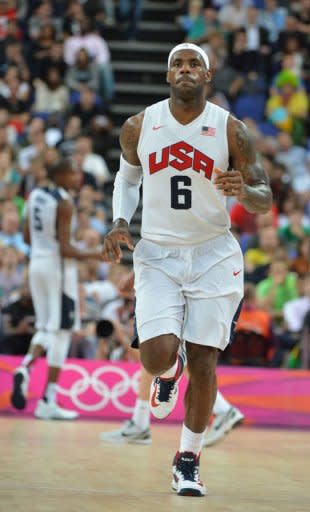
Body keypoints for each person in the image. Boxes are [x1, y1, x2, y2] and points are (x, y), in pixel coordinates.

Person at [102, 42, 272, 497]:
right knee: (156, 357)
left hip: (214, 254)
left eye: (194, 63)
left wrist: (245, 192)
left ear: (208, 76)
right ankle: (167, 372)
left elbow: (264, 193)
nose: (185, 69)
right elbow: (127, 178)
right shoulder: (140, 125)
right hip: (158, 252)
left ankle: (188, 459)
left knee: (205, 359)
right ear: (167, 76)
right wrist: (120, 221)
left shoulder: (231, 130)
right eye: (177, 63)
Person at [100, 273, 245, 447]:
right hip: (191, 279)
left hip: (170, 279)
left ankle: (222, 409)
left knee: (161, 346)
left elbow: (159, 245)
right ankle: (140, 423)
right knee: (157, 349)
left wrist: (134, 274)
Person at [10, 159, 102, 420]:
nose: (77, 177)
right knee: (60, 330)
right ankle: (46, 395)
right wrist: (98, 254)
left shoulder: (35, 195)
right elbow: (65, 248)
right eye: (72, 172)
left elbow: (27, 236)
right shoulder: (63, 202)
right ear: (59, 174)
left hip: (36, 264)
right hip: (58, 270)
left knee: (45, 327)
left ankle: (28, 371)